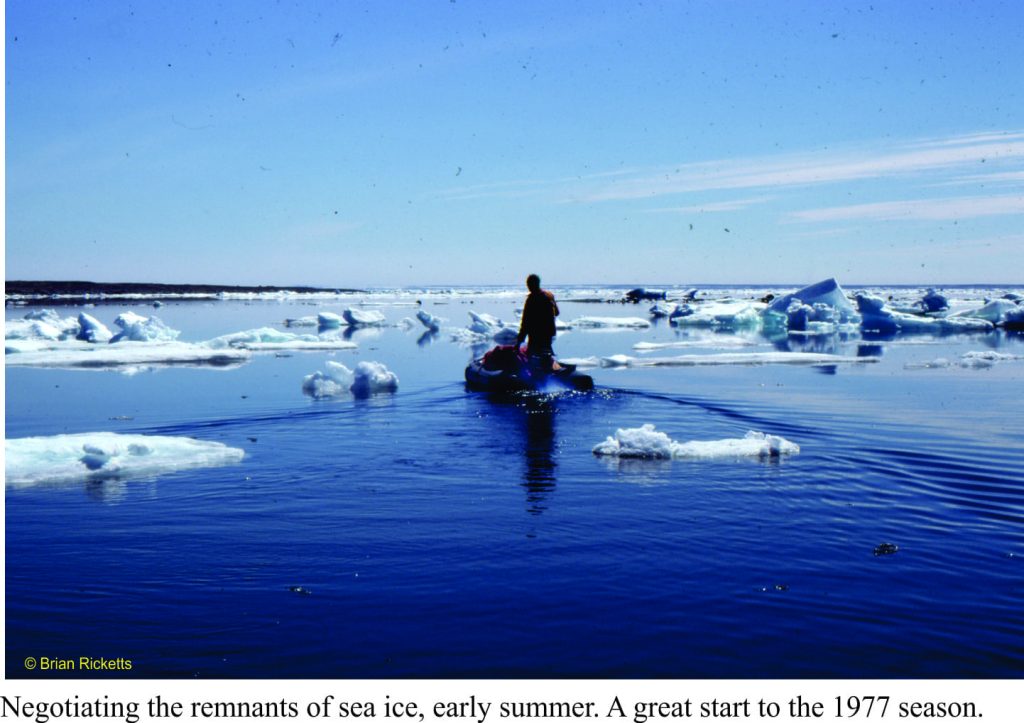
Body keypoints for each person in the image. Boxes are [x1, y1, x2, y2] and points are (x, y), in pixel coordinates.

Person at [516, 274, 560, 371]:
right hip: (549, 332)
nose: (528, 286)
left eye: (529, 284)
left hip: (536, 333)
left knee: (533, 356)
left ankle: (536, 377)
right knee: (545, 354)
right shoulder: (549, 295)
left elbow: (526, 321)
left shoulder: (532, 299)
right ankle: (550, 371)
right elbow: (557, 313)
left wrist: (520, 340)